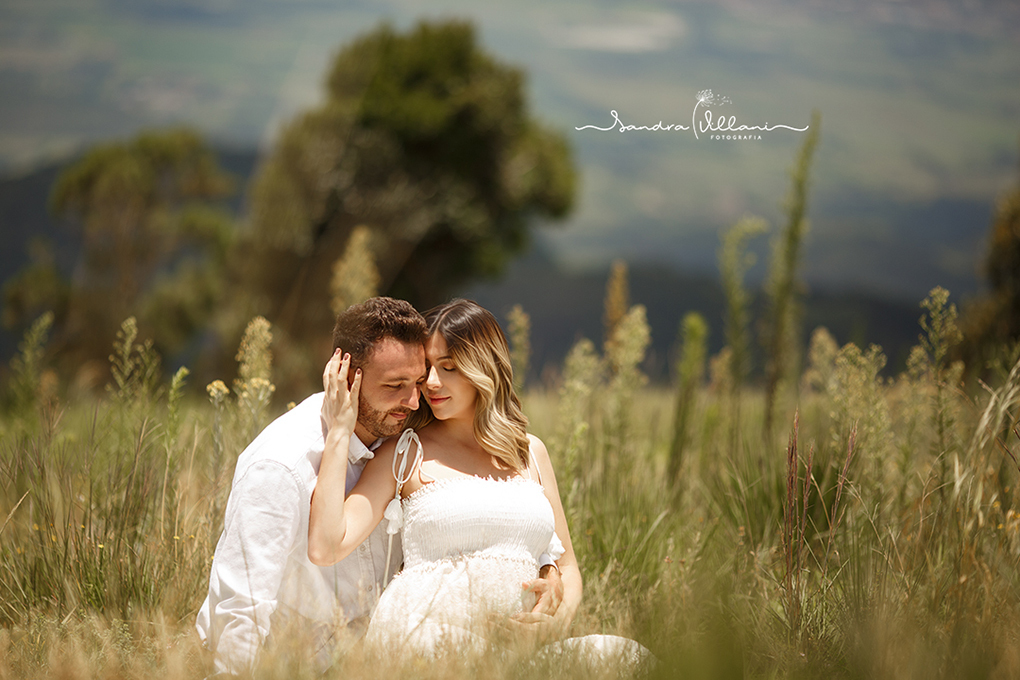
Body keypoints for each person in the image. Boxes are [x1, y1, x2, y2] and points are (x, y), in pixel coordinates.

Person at [197, 297, 565, 675]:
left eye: (417, 380)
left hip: (370, 656)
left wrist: (549, 572)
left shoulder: (401, 429)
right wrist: (339, 433)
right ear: (346, 377)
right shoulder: (280, 466)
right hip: (299, 662)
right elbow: (240, 606)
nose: (416, 397)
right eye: (396, 385)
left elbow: (506, 529)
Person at [309, 299, 591, 656]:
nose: (432, 382)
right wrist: (339, 432)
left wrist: (552, 626)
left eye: (450, 367)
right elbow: (326, 546)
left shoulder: (530, 453)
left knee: (627, 657)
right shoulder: (404, 452)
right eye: (428, 367)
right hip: (426, 641)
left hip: (520, 652)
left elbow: (568, 568)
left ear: (484, 368)